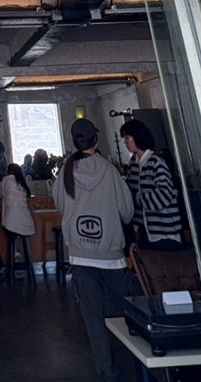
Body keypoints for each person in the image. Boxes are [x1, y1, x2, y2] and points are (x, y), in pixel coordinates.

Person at [53, 119, 134, 382]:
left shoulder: (66, 171)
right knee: (129, 310)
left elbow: (60, 205)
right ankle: (141, 363)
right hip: (111, 254)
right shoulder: (109, 170)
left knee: (93, 317)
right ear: (96, 140)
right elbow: (126, 211)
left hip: (81, 254)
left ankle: (106, 369)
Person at [119, 119, 182, 249]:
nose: (125, 142)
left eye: (127, 137)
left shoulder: (156, 162)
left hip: (164, 232)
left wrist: (138, 199)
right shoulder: (133, 164)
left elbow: (165, 194)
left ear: (137, 136)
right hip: (143, 233)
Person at [1, 164, 35, 237]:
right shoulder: (22, 183)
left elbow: (2, 193)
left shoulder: (6, 180)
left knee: (10, 238)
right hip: (26, 223)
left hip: (10, 222)